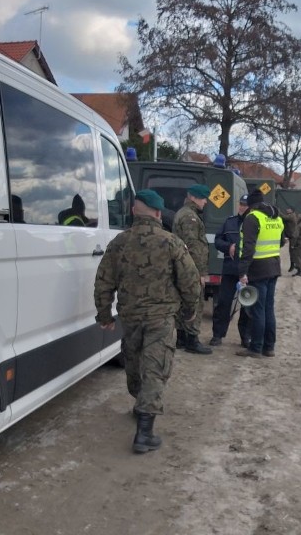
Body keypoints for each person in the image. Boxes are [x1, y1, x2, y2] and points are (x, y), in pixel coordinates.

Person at [94, 189, 201, 454]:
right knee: (155, 366)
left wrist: (105, 315)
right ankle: (144, 432)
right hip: (161, 318)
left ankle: (139, 403)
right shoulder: (171, 242)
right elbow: (190, 281)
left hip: (130, 316)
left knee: (134, 360)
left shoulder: (119, 242)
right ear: (157, 213)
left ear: (133, 211)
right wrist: (190, 310)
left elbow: (103, 281)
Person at [235, 189, 285, 358]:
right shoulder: (276, 217)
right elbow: (282, 241)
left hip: (258, 269)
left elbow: (248, 248)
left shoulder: (252, 218)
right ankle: (269, 347)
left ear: (250, 205)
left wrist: (242, 271)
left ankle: (255, 348)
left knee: (258, 310)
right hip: (274, 267)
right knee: (268, 309)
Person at [172, 184, 213, 355]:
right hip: (191, 268)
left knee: (183, 302)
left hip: (183, 267)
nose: (205, 202)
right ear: (194, 198)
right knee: (195, 302)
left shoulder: (183, 213)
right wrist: (201, 273)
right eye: (204, 198)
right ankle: (192, 340)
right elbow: (193, 246)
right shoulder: (190, 217)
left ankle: (181, 338)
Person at [210, 194, 252, 347]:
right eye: (241, 204)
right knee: (223, 304)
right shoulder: (229, 222)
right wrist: (229, 247)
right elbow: (217, 240)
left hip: (247, 272)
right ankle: (218, 335)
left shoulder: (253, 222)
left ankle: (245, 337)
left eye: (245, 205)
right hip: (230, 269)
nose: (242, 207)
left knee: (247, 306)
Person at [281, 207, 298, 272]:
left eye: (288, 209)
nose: (287, 210)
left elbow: (284, 217)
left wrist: (278, 211)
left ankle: (293, 265)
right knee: (292, 251)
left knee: (292, 251)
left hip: (293, 236)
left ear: (291, 210)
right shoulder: (291, 215)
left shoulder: (291, 216)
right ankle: (294, 265)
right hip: (291, 236)